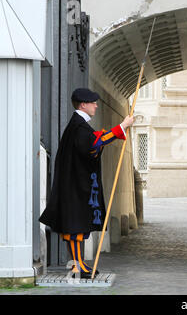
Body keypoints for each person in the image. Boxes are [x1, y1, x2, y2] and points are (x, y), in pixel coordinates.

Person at [39, 88, 134, 278]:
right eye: (93, 102)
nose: (96, 105)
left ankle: (79, 263)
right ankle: (77, 266)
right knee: (75, 227)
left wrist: (113, 132)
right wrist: (122, 126)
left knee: (76, 226)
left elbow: (94, 141)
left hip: (75, 184)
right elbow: (93, 144)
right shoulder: (79, 126)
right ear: (83, 104)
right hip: (75, 186)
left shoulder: (79, 125)